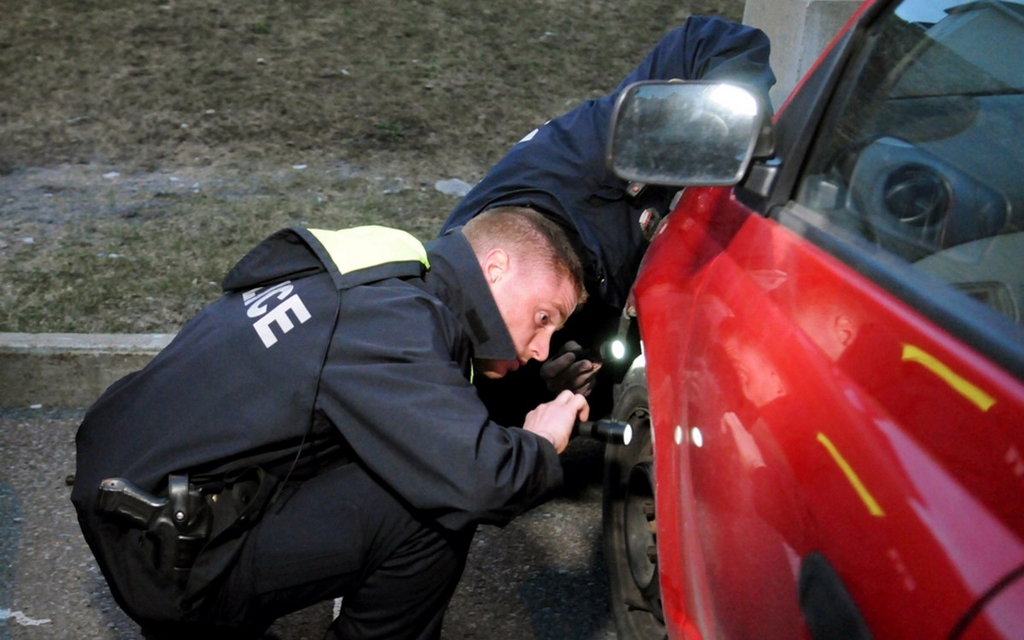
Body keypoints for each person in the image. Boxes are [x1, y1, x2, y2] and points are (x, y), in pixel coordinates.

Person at [71, 206, 590, 639]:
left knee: (421, 456)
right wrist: (539, 443)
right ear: (494, 268)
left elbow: (428, 408)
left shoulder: (383, 277)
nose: (541, 346)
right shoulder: (398, 324)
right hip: (170, 554)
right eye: (543, 317)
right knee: (434, 507)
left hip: (139, 495)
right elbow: (483, 479)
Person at [440, 16, 776, 423]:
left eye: (546, 320)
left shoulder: (598, 149)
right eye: (544, 320)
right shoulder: (446, 310)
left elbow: (710, 41)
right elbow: (474, 426)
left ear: (499, 268)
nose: (541, 348)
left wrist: (714, 128)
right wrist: (540, 389)